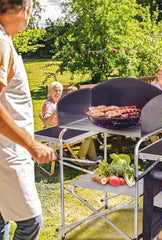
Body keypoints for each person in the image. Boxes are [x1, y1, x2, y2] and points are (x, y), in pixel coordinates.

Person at [0, 1, 56, 239]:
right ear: (25, 10)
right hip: (9, 152)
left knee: (1, 217)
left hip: (9, 149)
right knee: (31, 222)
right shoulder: (1, 43)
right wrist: (31, 144)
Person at [41, 81, 98, 161]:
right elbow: (46, 122)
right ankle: (81, 158)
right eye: (55, 90)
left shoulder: (56, 102)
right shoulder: (48, 105)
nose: (58, 93)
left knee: (88, 132)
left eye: (59, 91)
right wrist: (55, 111)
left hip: (63, 129)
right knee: (87, 135)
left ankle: (94, 159)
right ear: (50, 91)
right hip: (60, 134)